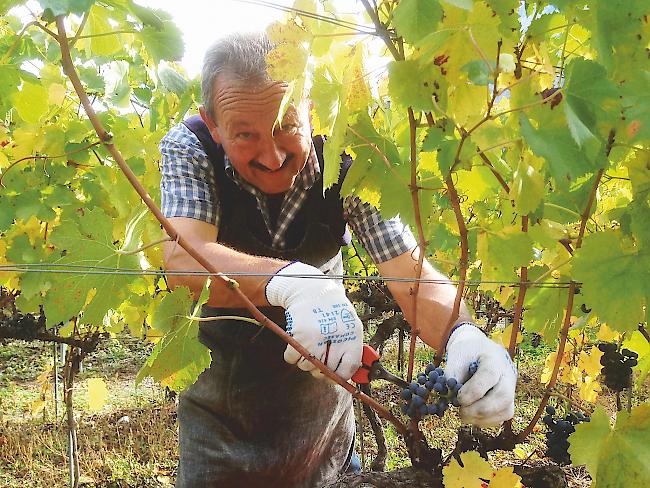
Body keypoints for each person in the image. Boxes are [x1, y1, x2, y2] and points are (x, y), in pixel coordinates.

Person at [159, 32, 517, 488]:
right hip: (220, 428)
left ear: (310, 108)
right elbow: (183, 258)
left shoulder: (349, 156)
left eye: (285, 126)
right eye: (244, 135)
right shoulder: (190, 148)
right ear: (213, 125)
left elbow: (408, 271)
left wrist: (464, 334)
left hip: (322, 425)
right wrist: (293, 281)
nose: (270, 155)